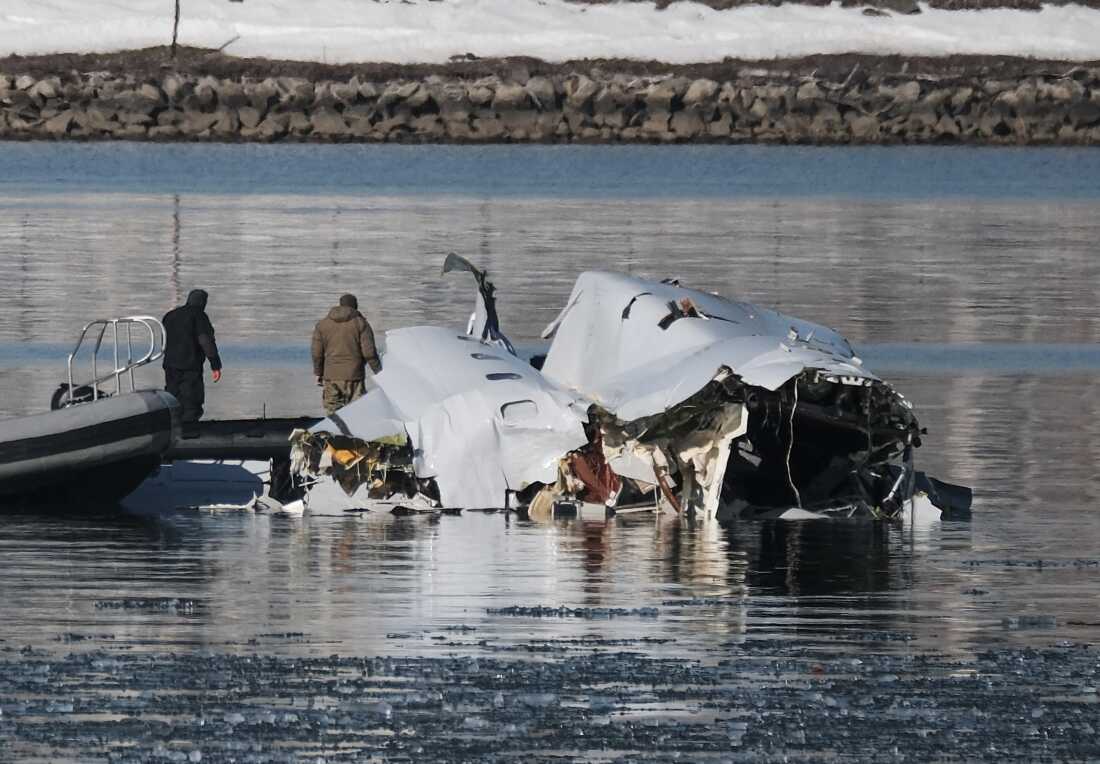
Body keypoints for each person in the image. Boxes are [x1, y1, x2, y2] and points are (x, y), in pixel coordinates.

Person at [162, 289, 222, 434]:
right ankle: (188, 434)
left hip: (170, 365)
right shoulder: (199, 316)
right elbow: (205, 341)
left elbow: (164, 340)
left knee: (172, 398)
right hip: (190, 366)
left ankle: (171, 432)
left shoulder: (170, 316)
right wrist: (215, 365)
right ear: (203, 302)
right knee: (191, 402)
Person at [312, 293, 381, 416]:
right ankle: (356, 434)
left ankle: (335, 433)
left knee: (333, 415)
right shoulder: (361, 324)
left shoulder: (322, 325)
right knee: (357, 413)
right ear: (355, 307)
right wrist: (379, 372)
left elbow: (317, 353)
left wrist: (318, 372)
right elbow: (369, 353)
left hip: (331, 377)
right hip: (355, 376)